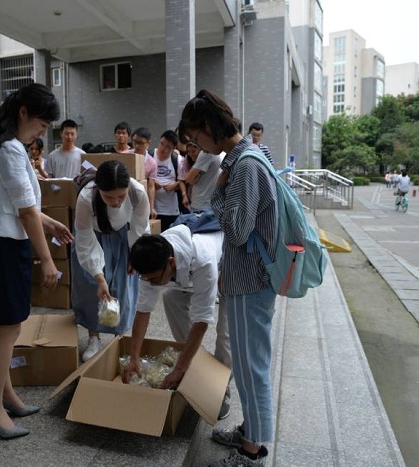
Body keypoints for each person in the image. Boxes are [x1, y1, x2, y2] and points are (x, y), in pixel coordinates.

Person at [179, 89, 277, 467]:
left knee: (252, 365)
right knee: (249, 361)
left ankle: (253, 452)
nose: (196, 145)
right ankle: (249, 432)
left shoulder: (244, 165)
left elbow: (236, 230)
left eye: (195, 137)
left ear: (208, 128)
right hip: (245, 275)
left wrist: (217, 192)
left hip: (252, 280)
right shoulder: (249, 157)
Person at [0, 83, 73, 439]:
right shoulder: (10, 150)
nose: (43, 132)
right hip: (0, 247)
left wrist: (51, 222)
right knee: (6, 330)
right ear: (23, 113)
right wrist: (47, 260)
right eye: (42, 125)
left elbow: (20, 207)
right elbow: (26, 212)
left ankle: (5, 395)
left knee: (5, 329)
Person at [123, 226, 232, 419]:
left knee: (226, 333)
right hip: (187, 274)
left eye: (155, 278)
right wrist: (134, 358)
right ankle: (194, 363)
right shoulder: (152, 261)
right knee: (171, 298)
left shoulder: (203, 262)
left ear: (170, 262)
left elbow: (201, 322)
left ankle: (220, 388)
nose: (152, 283)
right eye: (147, 279)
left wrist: (178, 368)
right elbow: (143, 311)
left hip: (229, 263)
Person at [71, 160, 150, 361]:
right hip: (94, 237)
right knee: (92, 288)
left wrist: (136, 255)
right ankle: (93, 337)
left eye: (120, 196)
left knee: (123, 287)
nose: (115, 202)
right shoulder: (87, 197)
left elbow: (140, 227)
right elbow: (84, 240)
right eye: (109, 197)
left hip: (124, 238)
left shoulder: (137, 192)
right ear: (99, 189)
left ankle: (119, 338)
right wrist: (99, 278)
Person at [152, 130, 184, 231]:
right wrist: (152, 181)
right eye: (161, 144)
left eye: (167, 147)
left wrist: (175, 185)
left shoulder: (178, 160)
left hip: (170, 210)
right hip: (152, 209)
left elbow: (185, 180)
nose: (163, 148)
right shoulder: (149, 155)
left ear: (174, 148)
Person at [179, 142, 223, 212]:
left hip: (203, 205)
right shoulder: (188, 159)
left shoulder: (206, 154)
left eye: (193, 151)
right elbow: (184, 179)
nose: (191, 154)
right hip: (199, 201)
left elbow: (188, 178)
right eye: (188, 152)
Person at [129, 127, 158, 217]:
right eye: (134, 142)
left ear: (148, 143)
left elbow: (151, 186)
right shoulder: (126, 155)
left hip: (140, 198)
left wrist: (151, 207)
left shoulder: (151, 163)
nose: (137, 146)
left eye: (141, 143)